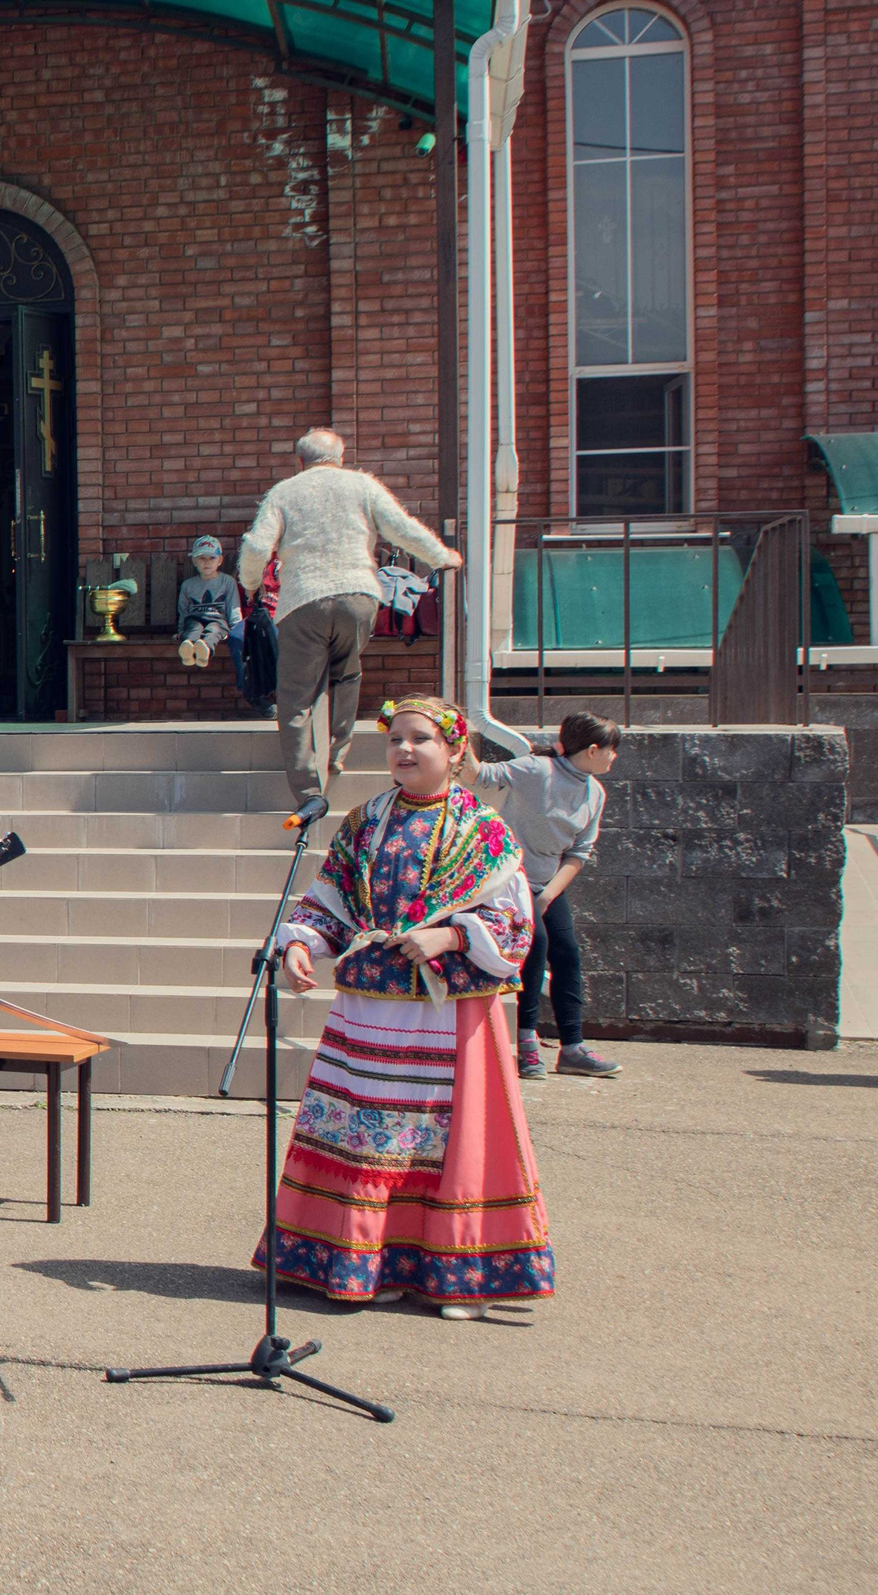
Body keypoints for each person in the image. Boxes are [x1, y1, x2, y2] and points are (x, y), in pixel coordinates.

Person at [258, 696, 553, 1320]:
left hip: (445, 1010)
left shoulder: (483, 828)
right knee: (365, 1137)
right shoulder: (364, 821)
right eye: (395, 739)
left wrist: (448, 935)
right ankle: (364, 1264)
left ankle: (456, 1276)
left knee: (440, 1140)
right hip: (367, 1007)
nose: (405, 750)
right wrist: (300, 945)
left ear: (454, 751)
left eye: (421, 739)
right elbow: (327, 899)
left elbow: (515, 921)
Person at [239, 428, 460, 801]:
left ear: (300, 461)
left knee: (296, 698)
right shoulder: (362, 485)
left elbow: (259, 544)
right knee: (346, 672)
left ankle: (309, 789)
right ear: (340, 458)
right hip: (359, 595)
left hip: (303, 601)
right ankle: (338, 754)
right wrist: (442, 558)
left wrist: (249, 583)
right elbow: (402, 528)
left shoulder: (285, 491)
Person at [474, 712, 623, 1080]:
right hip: (508, 880)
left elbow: (578, 853)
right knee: (535, 945)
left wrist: (546, 897)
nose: (614, 757)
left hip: (545, 885)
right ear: (592, 750)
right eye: (611, 749)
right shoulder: (538, 771)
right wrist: (455, 738)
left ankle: (572, 1047)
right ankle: (526, 1043)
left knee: (567, 953)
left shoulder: (594, 793)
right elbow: (482, 775)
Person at [174, 535, 254, 707]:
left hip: (218, 620)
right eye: (202, 558)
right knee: (193, 628)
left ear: (220, 560)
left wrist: (235, 628)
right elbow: (183, 610)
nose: (207, 562)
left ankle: (204, 650)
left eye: (212, 558)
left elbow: (233, 606)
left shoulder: (227, 581)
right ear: (194, 561)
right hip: (194, 619)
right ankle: (188, 646)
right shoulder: (188, 585)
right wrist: (181, 631)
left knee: (213, 630)